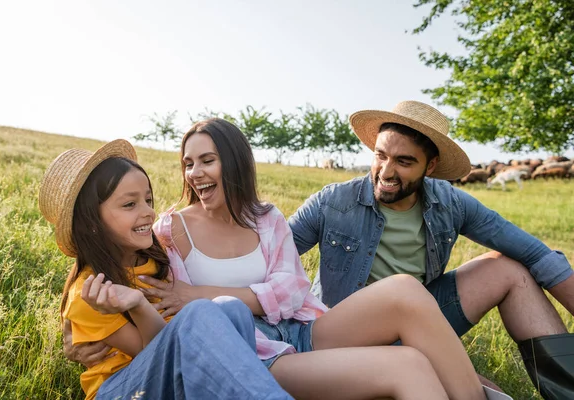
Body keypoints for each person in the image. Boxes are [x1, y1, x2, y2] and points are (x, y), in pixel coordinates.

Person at [139, 118, 509, 399]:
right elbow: (156, 304)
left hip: (304, 329)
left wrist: (200, 292)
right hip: (256, 354)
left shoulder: (266, 218)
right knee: (409, 364)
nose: (195, 173)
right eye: (188, 163)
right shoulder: (170, 231)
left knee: (406, 290)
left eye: (207, 160)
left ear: (234, 163)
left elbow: (290, 291)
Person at [286, 101, 574, 399]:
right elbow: (270, 257)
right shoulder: (332, 202)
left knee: (509, 269)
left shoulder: (452, 203)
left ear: (431, 166)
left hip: (417, 321)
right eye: (380, 156)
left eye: (404, 162)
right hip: (346, 334)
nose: (386, 171)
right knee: (486, 391)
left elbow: (536, 254)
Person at [38, 140, 293, 400]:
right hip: (124, 389)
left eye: (148, 200)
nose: (149, 212)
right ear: (92, 222)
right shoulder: (92, 293)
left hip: (169, 373)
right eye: (130, 205)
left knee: (232, 308)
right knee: (201, 312)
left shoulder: (152, 258)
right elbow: (154, 350)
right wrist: (139, 304)